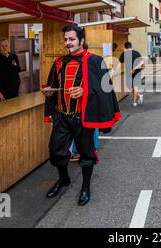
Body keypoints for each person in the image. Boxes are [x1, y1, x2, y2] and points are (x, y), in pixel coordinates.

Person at [42, 26, 120, 206]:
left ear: (81, 41)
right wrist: (50, 92)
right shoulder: (59, 62)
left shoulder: (95, 61)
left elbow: (105, 90)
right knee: (55, 152)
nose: (68, 43)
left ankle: (85, 187)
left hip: (83, 118)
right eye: (66, 39)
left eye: (72, 39)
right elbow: (54, 85)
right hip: (62, 116)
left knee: (86, 155)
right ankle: (64, 179)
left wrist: (85, 91)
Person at [116, 42, 144, 107]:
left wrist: (115, 71)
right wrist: (135, 68)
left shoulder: (124, 53)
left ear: (125, 47)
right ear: (131, 46)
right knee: (132, 87)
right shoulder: (137, 53)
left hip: (130, 72)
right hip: (137, 71)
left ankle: (134, 102)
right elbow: (142, 62)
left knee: (133, 87)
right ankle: (139, 95)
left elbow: (119, 64)